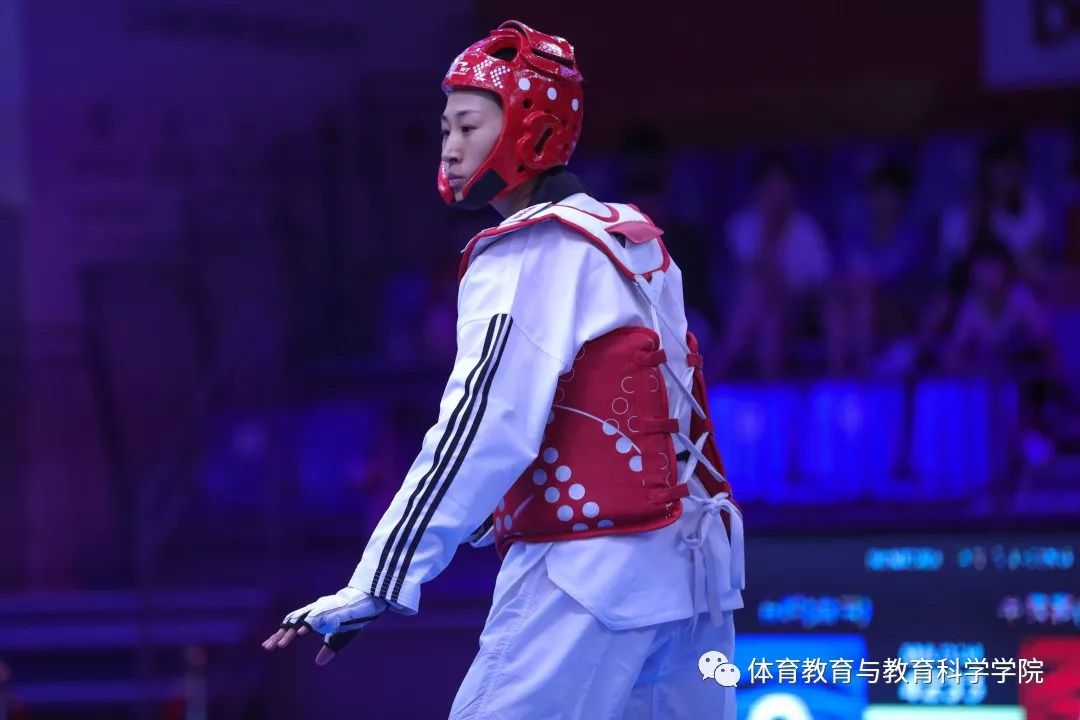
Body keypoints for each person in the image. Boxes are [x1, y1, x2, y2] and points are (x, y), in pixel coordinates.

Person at [261, 20, 744, 719]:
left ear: (530, 127)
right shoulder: (632, 238)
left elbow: (482, 428)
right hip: (691, 580)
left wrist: (378, 580)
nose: (450, 148)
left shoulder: (526, 253)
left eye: (468, 126)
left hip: (585, 577)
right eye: (445, 129)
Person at [716, 153, 833, 378]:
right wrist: (769, 231)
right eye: (770, 186)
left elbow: (819, 281)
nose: (776, 194)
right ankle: (769, 384)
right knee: (768, 316)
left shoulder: (807, 228)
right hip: (749, 306)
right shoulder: (741, 224)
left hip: (800, 309)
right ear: (757, 189)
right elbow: (750, 272)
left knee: (764, 301)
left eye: (782, 186)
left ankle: (720, 365)